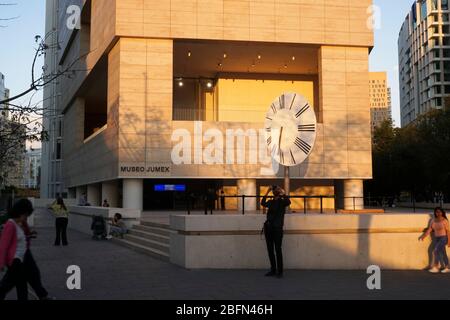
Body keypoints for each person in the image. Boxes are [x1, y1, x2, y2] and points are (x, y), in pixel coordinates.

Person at [0, 199, 32, 300]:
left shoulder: (19, 224)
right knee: (5, 287)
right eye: (26, 214)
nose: (26, 217)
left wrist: (29, 235)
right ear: (20, 212)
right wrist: (1, 263)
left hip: (19, 261)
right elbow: (3, 245)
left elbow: (20, 240)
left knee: (21, 286)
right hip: (14, 262)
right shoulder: (10, 224)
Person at [261, 186, 291, 279]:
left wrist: (283, 192)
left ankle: (280, 271)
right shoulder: (271, 201)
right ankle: (273, 269)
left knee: (278, 249)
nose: (275, 191)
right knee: (270, 250)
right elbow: (263, 203)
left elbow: (288, 202)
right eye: (274, 190)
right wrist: (267, 191)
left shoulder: (282, 202)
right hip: (269, 228)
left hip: (277, 229)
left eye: (276, 190)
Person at [419, 207, 450, 273]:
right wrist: (423, 236)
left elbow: (448, 232)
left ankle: (436, 267)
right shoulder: (433, 220)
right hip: (436, 238)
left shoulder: (445, 220)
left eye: (439, 212)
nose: (438, 213)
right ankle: (447, 267)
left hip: (444, 238)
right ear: (435, 213)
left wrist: (449, 241)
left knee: (436, 250)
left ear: (442, 213)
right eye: (437, 212)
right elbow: (430, 229)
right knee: (443, 253)